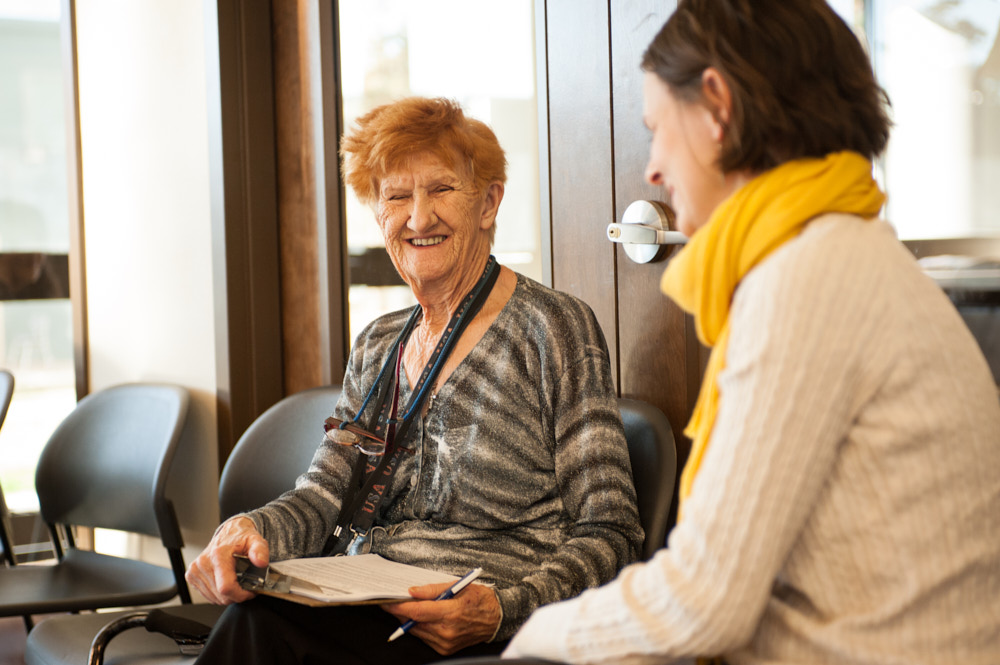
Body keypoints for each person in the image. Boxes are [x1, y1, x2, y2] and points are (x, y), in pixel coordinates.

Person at [500, 1, 1000, 663]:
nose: (651, 168)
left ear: (717, 105)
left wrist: (533, 640)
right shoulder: (841, 250)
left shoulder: (808, 277)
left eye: (656, 128)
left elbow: (704, 602)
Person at [184, 96, 643, 665]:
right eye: (396, 196)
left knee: (261, 633)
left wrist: (503, 610)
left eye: (442, 190)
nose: (419, 218)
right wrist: (248, 529)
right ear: (379, 216)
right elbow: (322, 497)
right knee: (254, 614)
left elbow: (612, 532)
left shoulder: (553, 328)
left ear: (488, 201)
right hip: (364, 598)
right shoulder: (379, 344)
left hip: (474, 627)